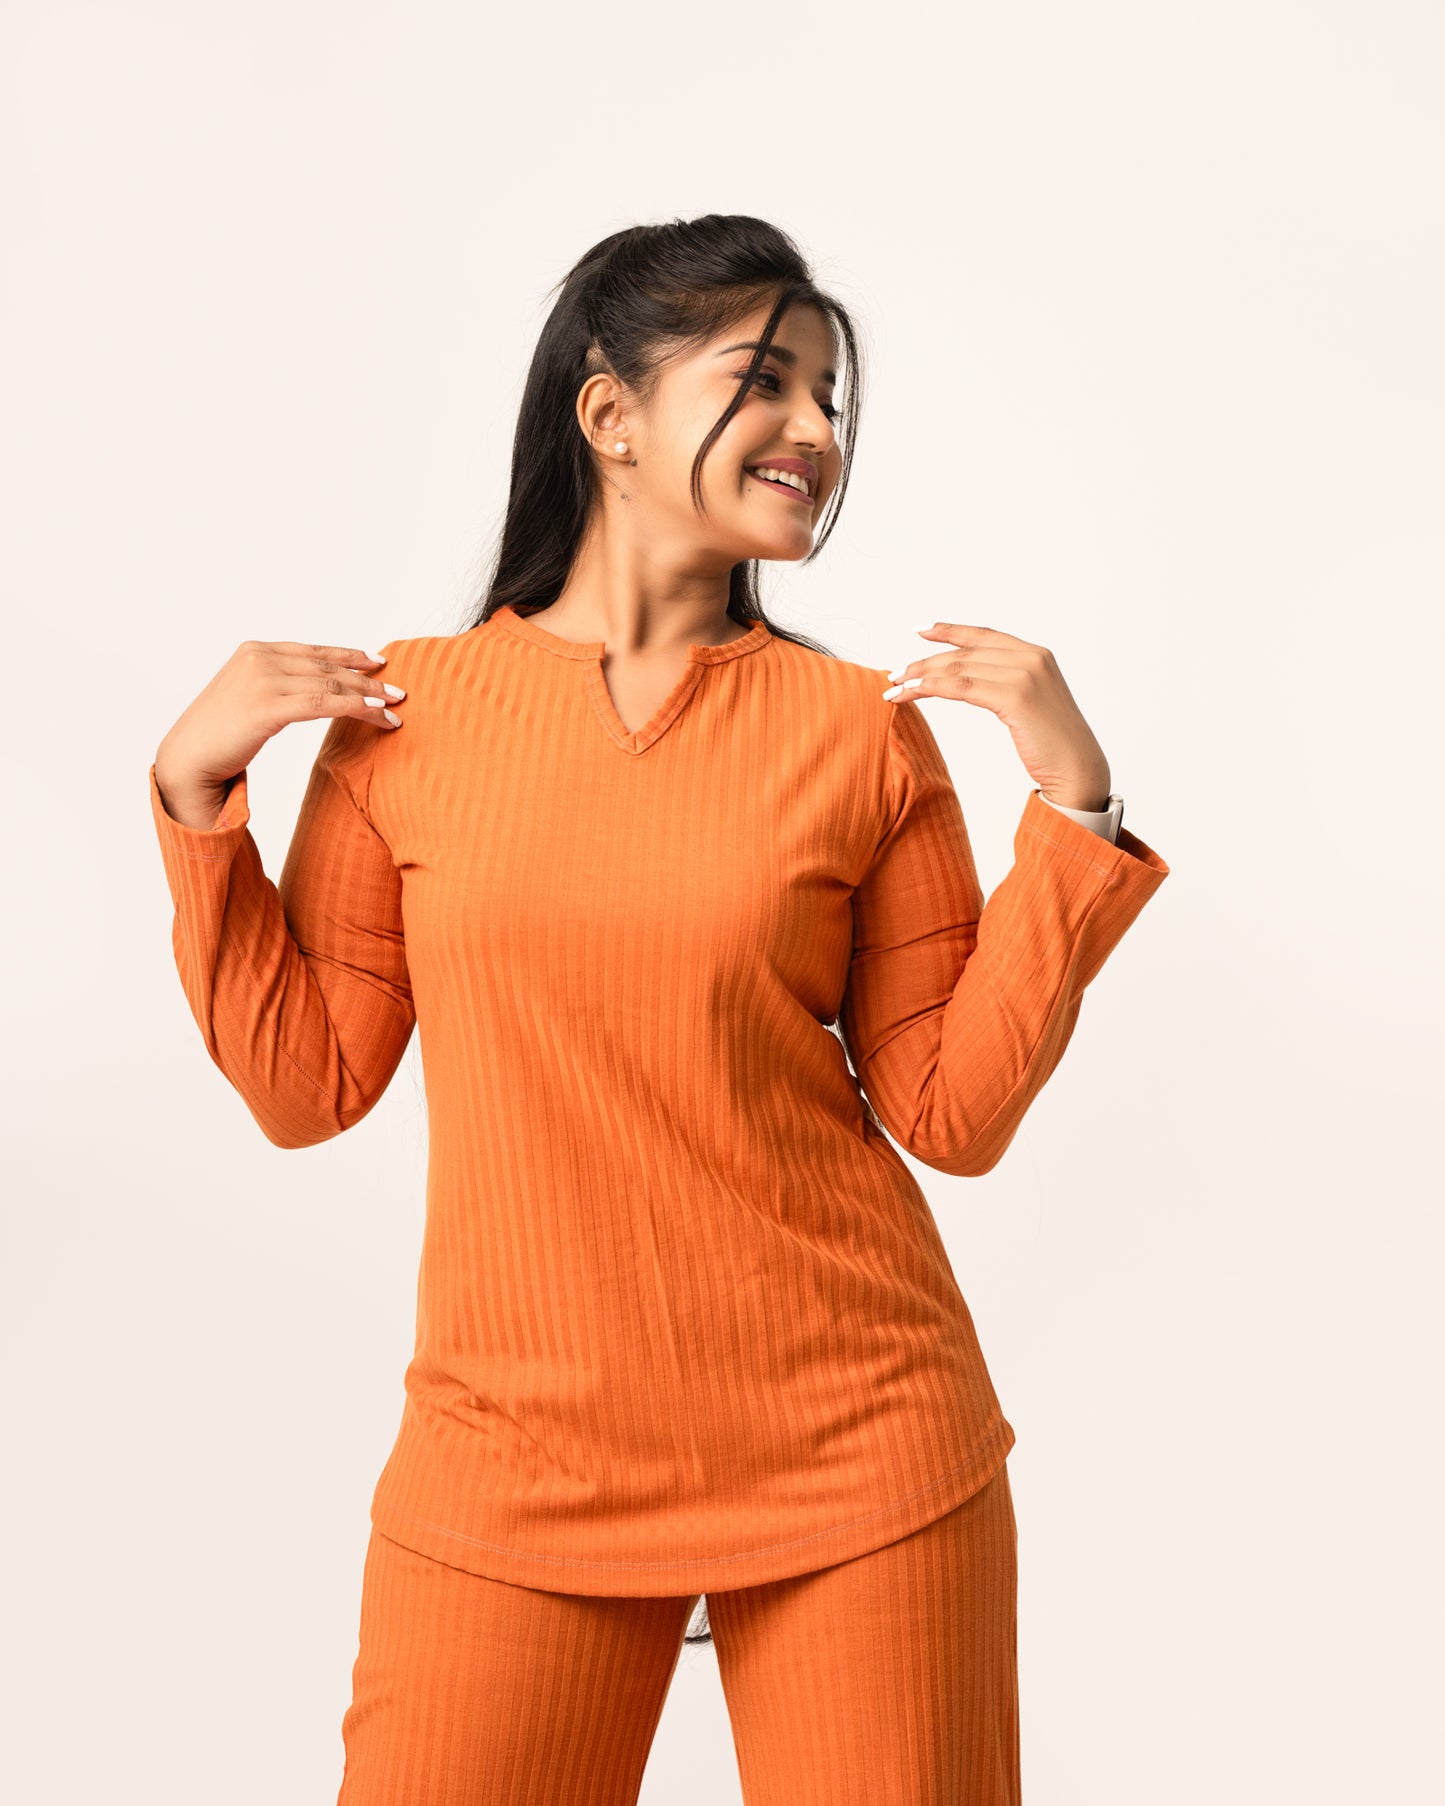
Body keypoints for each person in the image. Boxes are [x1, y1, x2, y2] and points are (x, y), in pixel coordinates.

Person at [149, 214, 1170, 1805]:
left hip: (857, 1448)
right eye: (763, 380)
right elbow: (307, 1084)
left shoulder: (858, 733)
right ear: (609, 413)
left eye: (829, 396)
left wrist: (1074, 807)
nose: (814, 429)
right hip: (510, 1461)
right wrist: (194, 796)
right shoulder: (403, 722)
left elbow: (951, 1114)